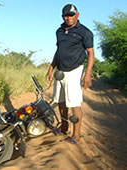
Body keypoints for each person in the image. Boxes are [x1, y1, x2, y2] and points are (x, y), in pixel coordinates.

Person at [46, 4, 94, 143]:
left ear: (77, 15)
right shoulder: (59, 31)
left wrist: (88, 74)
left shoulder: (85, 32)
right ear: (63, 17)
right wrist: (51, 68)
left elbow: (90, 53)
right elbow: (58, 51)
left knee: (74, 103)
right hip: (59, 70)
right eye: (66, 15)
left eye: (71, 15)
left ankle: (76, 136)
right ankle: (64, 127)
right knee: (60, 101)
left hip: (74, 70)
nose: (69, 18)